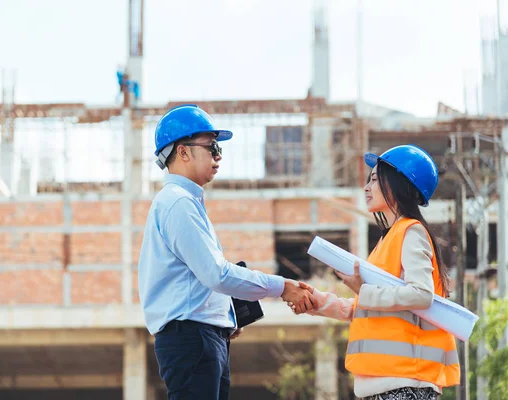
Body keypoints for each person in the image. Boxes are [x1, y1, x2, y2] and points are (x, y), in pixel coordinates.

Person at [138, 104, 318, 400]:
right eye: (212, 147)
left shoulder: (184, 202)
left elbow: (195, 279)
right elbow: (216, 274)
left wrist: (224, 318)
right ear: (183, 152)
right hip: (192, 339)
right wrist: (282, 287)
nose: (218, 155)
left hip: (201, 336)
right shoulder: (178, 203)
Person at [289, 145, 460, 400]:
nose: (367, 187)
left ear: (399, 183)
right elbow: (364, 306)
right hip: (386, 386)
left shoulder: (411, 232)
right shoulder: (387, 240)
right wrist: (317, 301)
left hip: (405, 385)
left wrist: (363, 290)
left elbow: (421, 295)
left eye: (375, 180)